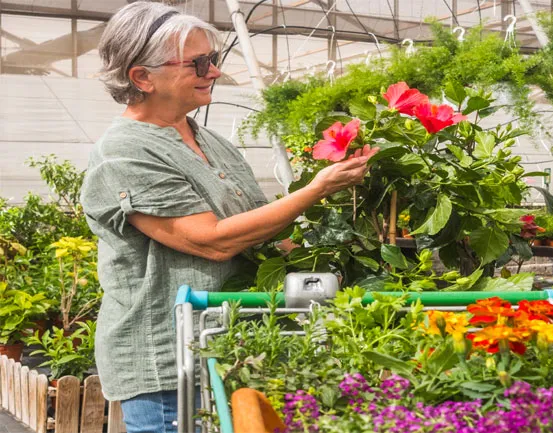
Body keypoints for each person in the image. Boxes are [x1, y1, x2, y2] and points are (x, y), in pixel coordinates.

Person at [80, 2, 377, 432]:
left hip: (235, 347)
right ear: (142, 77)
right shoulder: (123, 152)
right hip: (170, 362)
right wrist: (317, 189)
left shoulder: (209, 140)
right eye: (199, 63)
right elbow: (212, 241)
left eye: (214, 59)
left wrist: (340, 268)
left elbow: (265, 231)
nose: (214, 72)